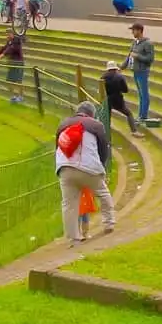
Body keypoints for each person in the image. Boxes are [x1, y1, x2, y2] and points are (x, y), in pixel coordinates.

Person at [55, 101, 115, 244]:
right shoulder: (96, 125)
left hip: (64, 167)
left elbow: (58, 146)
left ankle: (73, 238)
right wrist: (102, 168)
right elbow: (103, 149)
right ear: (92, 114)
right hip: (88, 167)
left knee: (68, 204)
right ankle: (109, 223)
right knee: (102, 193)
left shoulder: (63, 124)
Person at [101, 61, 142, 136]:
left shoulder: (103, 77)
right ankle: (134, 131)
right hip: (117, 100)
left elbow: (101, 89)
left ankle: (105, 132)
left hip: (107, 99)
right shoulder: (119, 77)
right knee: (128, 113)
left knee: (107, 116)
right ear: (115, 68)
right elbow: (125, 90)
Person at [127, 22, 155, 122]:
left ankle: (143, 116)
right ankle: (140, 115)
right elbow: (129, 56)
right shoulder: (134, 43)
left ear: (139, 31)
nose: (132, 32)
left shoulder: (148, 44)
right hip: (135, 71)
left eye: (133, 30)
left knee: (144, 94)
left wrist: (138, 56)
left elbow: (150, 58)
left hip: (143, 72)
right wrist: (121, 67)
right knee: (140, 94)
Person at [0, 29, 25, 103]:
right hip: (11, 63)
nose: (7, 36)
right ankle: (14, 96)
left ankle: (21, 96)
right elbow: (4, 48)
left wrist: (1, 56)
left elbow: (10, 49)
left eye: (8, 34)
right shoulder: (9, 41)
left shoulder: (16, 41)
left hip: (18, 63)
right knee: (9, 81)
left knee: (18, 81)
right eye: (6, 34)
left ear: (12, 34)